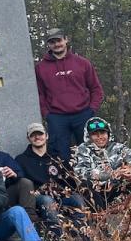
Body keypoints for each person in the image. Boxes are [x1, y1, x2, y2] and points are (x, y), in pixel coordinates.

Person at [35, 28, 104, 160]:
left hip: (83, 114)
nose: (56, 44)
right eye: (52, 42)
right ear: (48, 45)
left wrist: (91, 110)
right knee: (60, 156)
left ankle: (91, 180)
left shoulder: (82, 63)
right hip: (57, 118)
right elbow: (40, 94)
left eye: (59, 40)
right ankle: (65, 181)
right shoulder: (41, 68)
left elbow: (96, 89)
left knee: (90, 153)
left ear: (66, 40)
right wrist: (47, 115)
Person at [15, 123, 86, 241]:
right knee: (48, 201)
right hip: (39, 197)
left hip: (62, 194)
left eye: (40, 134)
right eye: (33, 135)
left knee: (77, 199)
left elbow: (70, 180)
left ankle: (82, 239)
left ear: (46, 136)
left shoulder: (59, 156)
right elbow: (22, 184)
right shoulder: (21, 159)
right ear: (29, 138)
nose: (37, 137)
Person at [72, 117, 131, 210]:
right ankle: (98, 221)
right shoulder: (83, 149)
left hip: (117, 190)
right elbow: (81, 173)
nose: (100, 137)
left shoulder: (120, 148)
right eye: (95, 134)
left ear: (108, 134)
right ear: (89, 136)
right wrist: (113, 174)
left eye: (103, 133)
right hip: (97, 191)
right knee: (86, 185)